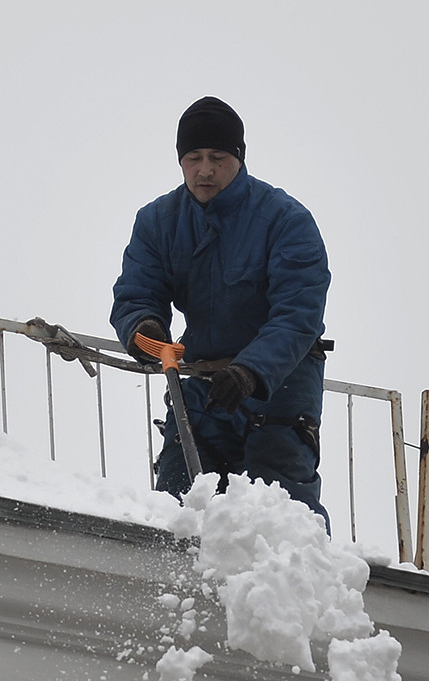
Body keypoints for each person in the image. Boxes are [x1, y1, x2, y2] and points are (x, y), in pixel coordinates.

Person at [109, 97, 332, 526]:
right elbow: (137, 291)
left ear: (239, 158)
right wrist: (144, 329)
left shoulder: (286, 220)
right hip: (201, 389)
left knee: (280, 521)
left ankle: (300, 589)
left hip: (279, 390)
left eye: (217, 157)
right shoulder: (158, 221)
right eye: (193, 157)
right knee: (178, 506)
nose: (205, 169)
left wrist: (252, 372)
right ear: (180, 161)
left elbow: (299, 312)